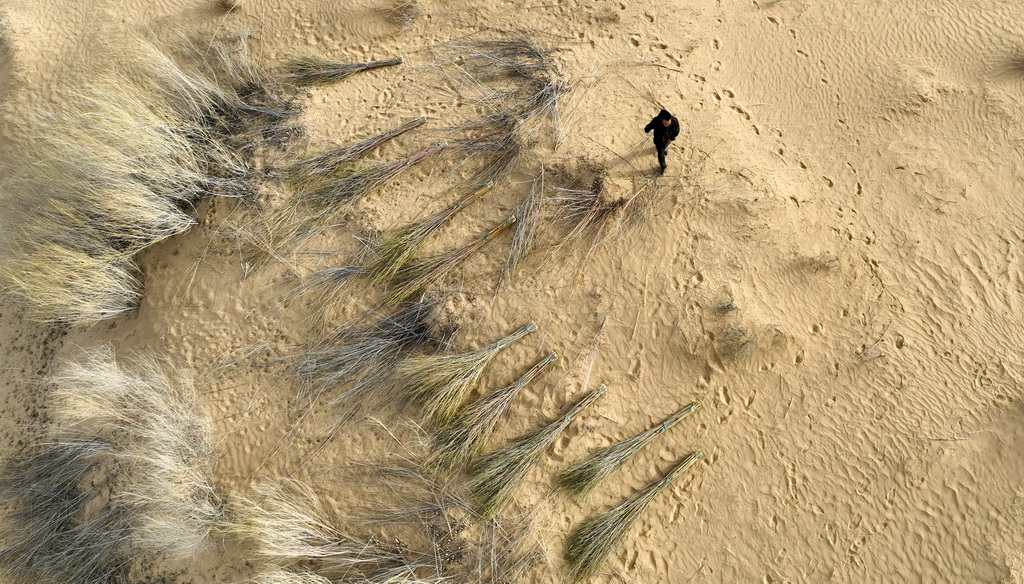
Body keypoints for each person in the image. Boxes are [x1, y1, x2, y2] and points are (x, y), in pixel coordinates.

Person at [644, 109, 680, 174]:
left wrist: (672, 138)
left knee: (665, 147)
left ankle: (665, 149)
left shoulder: (674, 120)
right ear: (662, 119)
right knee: (661, 156)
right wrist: (647, 128)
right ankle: (663, 167)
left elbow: (677, 130)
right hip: (659, 142)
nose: (667, 124)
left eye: (669, 123)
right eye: (665, 123)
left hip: (668, 140)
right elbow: (647, 128)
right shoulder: (656, 121)